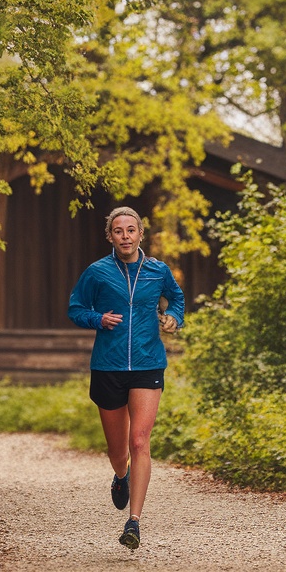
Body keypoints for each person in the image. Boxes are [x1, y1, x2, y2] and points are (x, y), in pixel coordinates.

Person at [68, 206, 184, 549]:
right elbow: (75, 308)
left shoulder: (158, 271)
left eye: (130, 230)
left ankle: (133, 522)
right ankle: (122, 476)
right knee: (119, 451)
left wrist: (174, 317)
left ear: (140, 234)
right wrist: (98, 319)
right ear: (110, 236)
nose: (125, 236)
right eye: (118, 231)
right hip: (108, 365)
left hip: (148, 363)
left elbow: (176, 298)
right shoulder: (97, 272)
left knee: (140, 441)